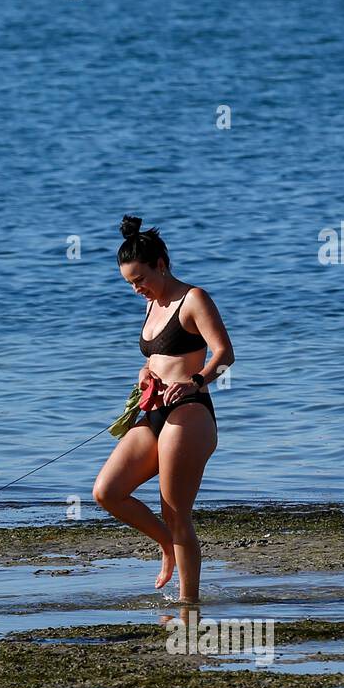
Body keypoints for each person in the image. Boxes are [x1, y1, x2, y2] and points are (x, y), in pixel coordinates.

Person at [92, 215, 234, 602]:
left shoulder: (194, 299)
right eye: (129, 283)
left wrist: (197, 379)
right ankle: (166, 545)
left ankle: (189, 604)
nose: (136, 288)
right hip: (151, 410)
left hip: (189, 411)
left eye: (140, 279)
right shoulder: (152, 304)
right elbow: (157, 357)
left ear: (161, 264)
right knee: (107, 491)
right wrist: (144, 372)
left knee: (176, 513)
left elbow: (224, 355)